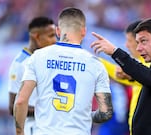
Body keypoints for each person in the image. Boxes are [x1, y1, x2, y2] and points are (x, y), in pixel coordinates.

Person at [14, 7, 113, 135]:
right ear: (84, 31)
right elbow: (106, 112)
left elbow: (21, 101)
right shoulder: (96, 64)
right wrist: (84, 117)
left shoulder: (38, 57)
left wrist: (20, 132)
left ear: (58, 31)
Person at [98, 20, 150, 135]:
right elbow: (119, 74)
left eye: (129, 40)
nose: (126, 45)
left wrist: (97, 60)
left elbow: (139, 74)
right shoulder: (139, 66)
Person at [8, 16, 56, 135]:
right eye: (50, 36)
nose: (55, 40)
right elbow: (12, 107)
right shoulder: (20, 64)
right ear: (36, 37)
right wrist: (46, 111)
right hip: (33, 128)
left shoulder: (49, 59)